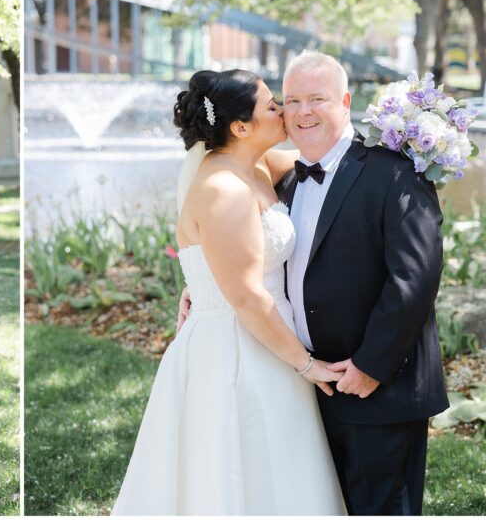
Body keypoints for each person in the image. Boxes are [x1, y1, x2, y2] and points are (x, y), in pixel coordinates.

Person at [112, 69, 346, 515]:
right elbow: (245, 297)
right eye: (273, 106)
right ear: (240, 126)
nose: (284, 112)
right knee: (240, 471)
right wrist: (306, 364)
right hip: (239, 350)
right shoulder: (223, 189)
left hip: (267, 339)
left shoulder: (255, 166)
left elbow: (319, 159)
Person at [275, 52, 446, 515]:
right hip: (309, 386)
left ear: (346, 102)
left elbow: (416, 275)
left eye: (317, 99)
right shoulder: (286, 181)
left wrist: (371, 365)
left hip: (378, 387)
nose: (303, 111)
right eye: (292, 100)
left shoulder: (394, 170)